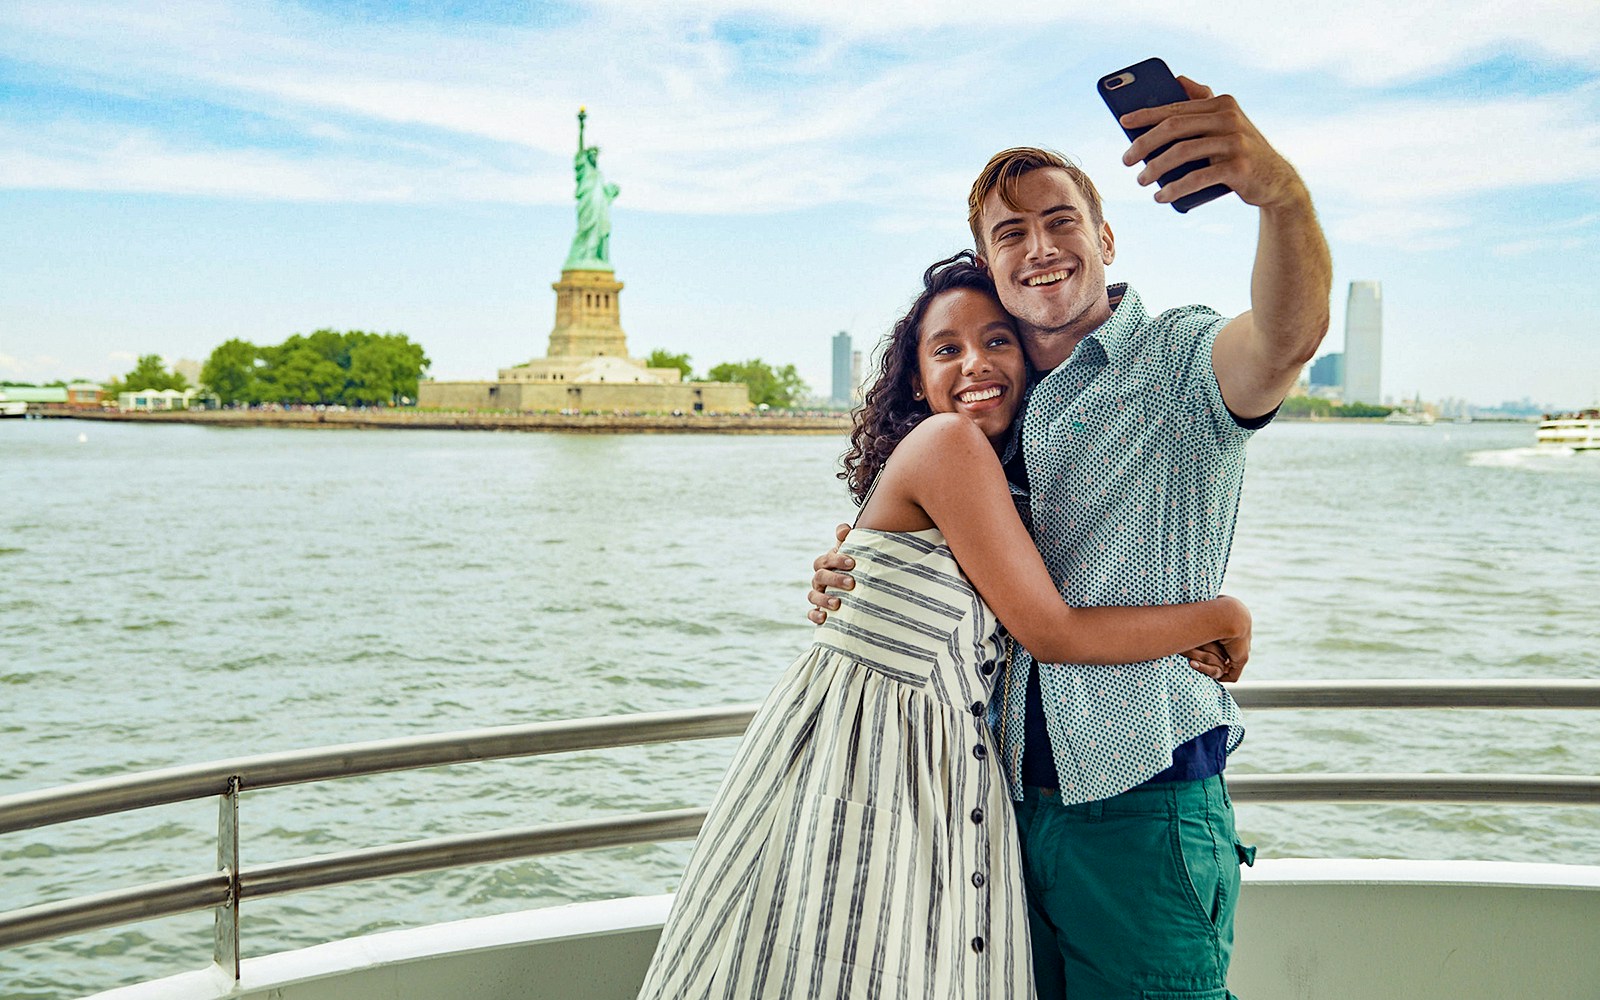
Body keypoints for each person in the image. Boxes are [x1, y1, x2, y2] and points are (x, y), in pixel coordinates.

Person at [808, 79, 1332, 998]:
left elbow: (1288, 336)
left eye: (1061, 222)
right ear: (988, 261)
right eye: (1011, 234)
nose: (1040, 248)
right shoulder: (995, 424)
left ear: (1106, 239)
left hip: (1142, 795)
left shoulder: (1176, 361)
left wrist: (1277, 194)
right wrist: (852, 575)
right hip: (999, 806)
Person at [637, 253, 1253, 1000]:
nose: (975, 365)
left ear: (1029, 358)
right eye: (947, 350)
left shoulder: (1001, 477)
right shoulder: (949, 445)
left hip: (915, 766)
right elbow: (1050, 632)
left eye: (997, 341)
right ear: (916, 378)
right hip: (872, 765)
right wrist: (1222, 614)